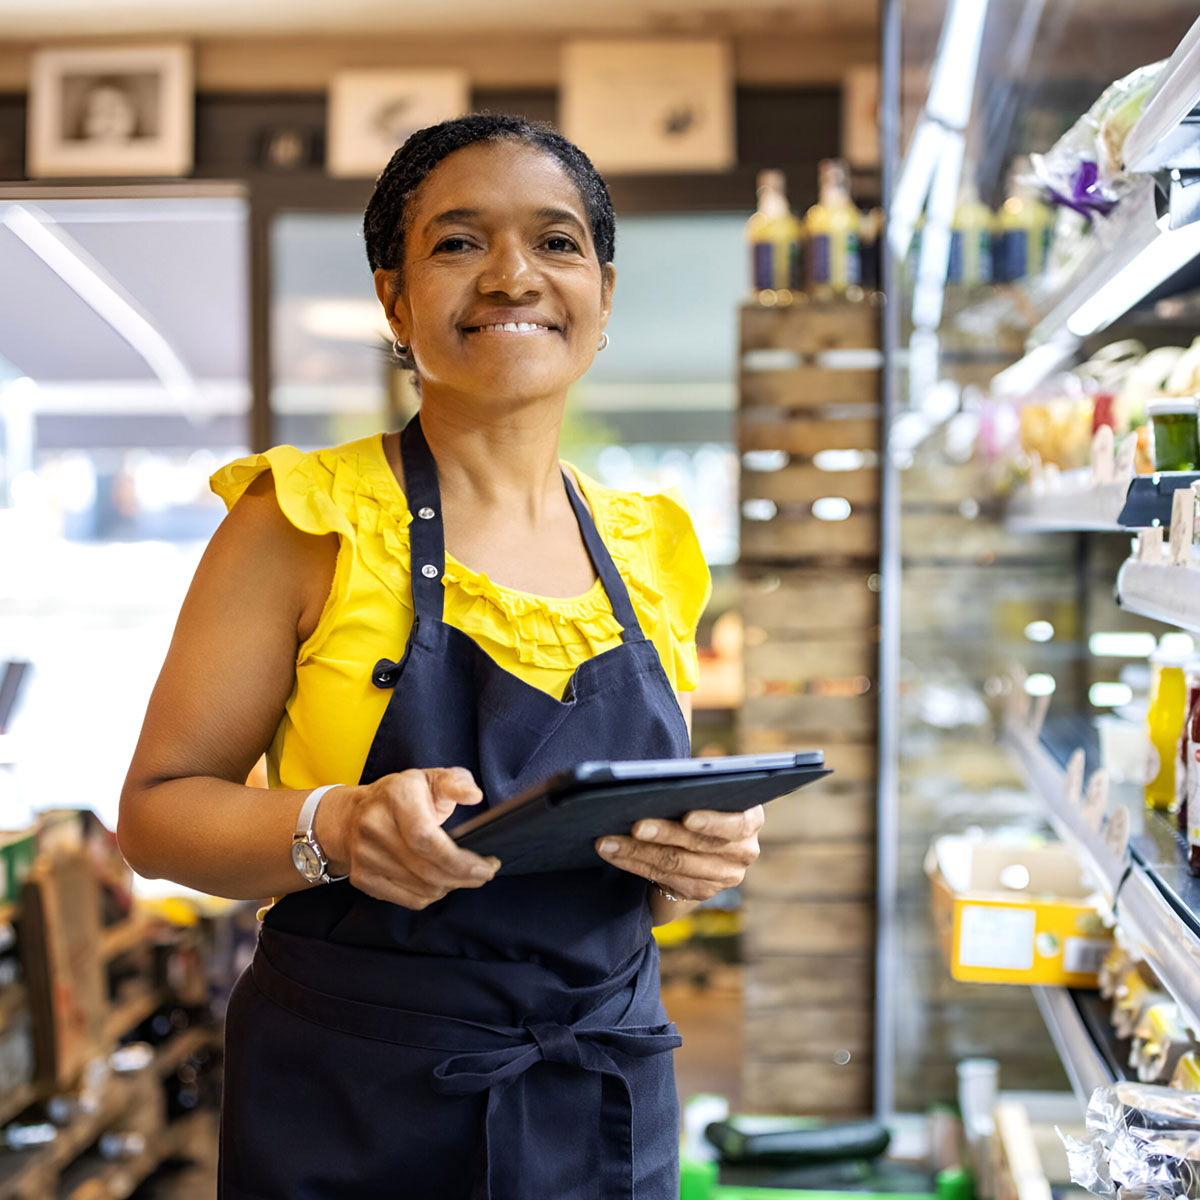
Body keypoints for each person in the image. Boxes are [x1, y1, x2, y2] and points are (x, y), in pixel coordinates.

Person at [118, 113, 764, 1199]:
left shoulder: (653, 547)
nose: (514, 276)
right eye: (460, 243)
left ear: (603, 294)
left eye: (557, 244)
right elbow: (156, 814)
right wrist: (337, 827)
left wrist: (688, 867)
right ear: (394, 299)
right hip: (354, 1107)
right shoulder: (301, 519)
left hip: (601, 1097)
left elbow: (618, 860)